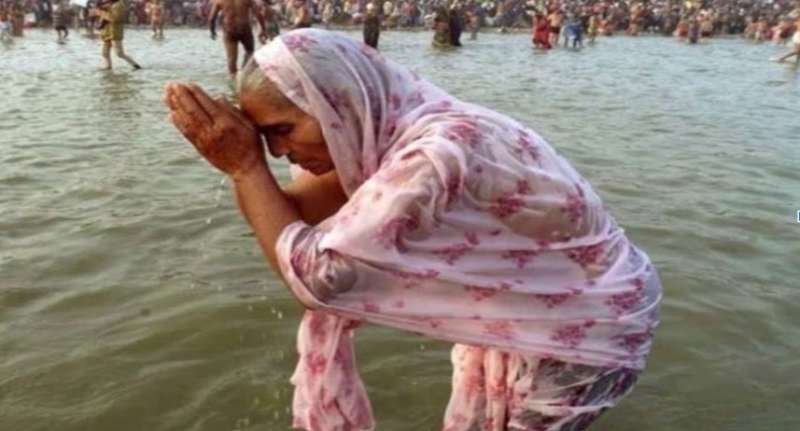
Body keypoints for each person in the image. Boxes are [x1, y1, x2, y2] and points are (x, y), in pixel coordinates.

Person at [164, 29, 661, 431]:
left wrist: (246, 168)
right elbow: (290, 213)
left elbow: (318, 278)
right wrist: (239, 158)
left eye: (283, 130)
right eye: (265, 137)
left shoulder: (434, 152)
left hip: (593, 323)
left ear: (339, 104)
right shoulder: (390, 129)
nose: (278, 152)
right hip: (541, 309)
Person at [209, 0, 268, 79]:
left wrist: (212, 31)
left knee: (231, 58)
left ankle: (232, 76)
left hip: (229, 30)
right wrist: (263, 29)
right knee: (249, 51)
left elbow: (211, 18)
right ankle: (245, 72)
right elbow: (258, 14)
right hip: (244, 29)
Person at [97, 0, 142, 70]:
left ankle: (136, 65)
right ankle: (108, 67)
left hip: (115, 32)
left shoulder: (119, 5)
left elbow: (115, 18)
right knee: (105, 53)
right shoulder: (110, 4)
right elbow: (104, 17)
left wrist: (102, 13)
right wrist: (101, 10)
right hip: (107, 31)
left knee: (119, 53)